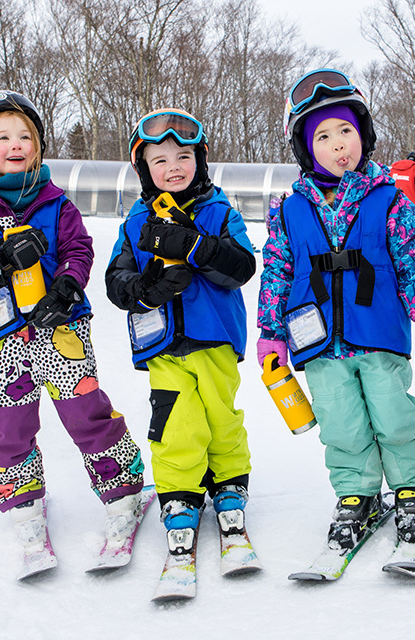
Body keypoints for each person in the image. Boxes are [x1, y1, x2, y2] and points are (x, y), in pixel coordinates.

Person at [257, 69, 415, 553]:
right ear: (306, 149)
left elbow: (414, 262)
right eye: (323, 136)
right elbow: (277, 271)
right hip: (318, 343)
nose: (338, 144)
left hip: (378, 333)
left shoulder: (389, 199)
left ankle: (412, 488)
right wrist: (271, 332)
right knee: (341, 425)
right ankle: (357, 494)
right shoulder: (288, 210)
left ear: (362, 134)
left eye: (346, 130)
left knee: (394, 416)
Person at [0, 91, 145, 560]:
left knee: (86, 411)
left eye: (25, 136)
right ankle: (24, 511)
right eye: (4, 137)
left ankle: (124, 495)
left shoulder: (57, 204)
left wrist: (65, 288)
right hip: (3, 338)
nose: (16, 144)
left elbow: (80, 250)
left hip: (61, 328)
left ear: (37, 146)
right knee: (5, 423)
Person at [105, 108, 256, 554]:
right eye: (160, 160)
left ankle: (229, 483)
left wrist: (195, 246)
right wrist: (148, 289)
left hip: (216, 340)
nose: (174, 167)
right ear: (144, 169)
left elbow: (241, 268)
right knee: (174, 421)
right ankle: (179, 494)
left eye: (184, 156)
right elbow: (117, 283)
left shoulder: (219, 213)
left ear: (201, 160)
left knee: (219, 417)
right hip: (164, 346)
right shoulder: (136, 223)